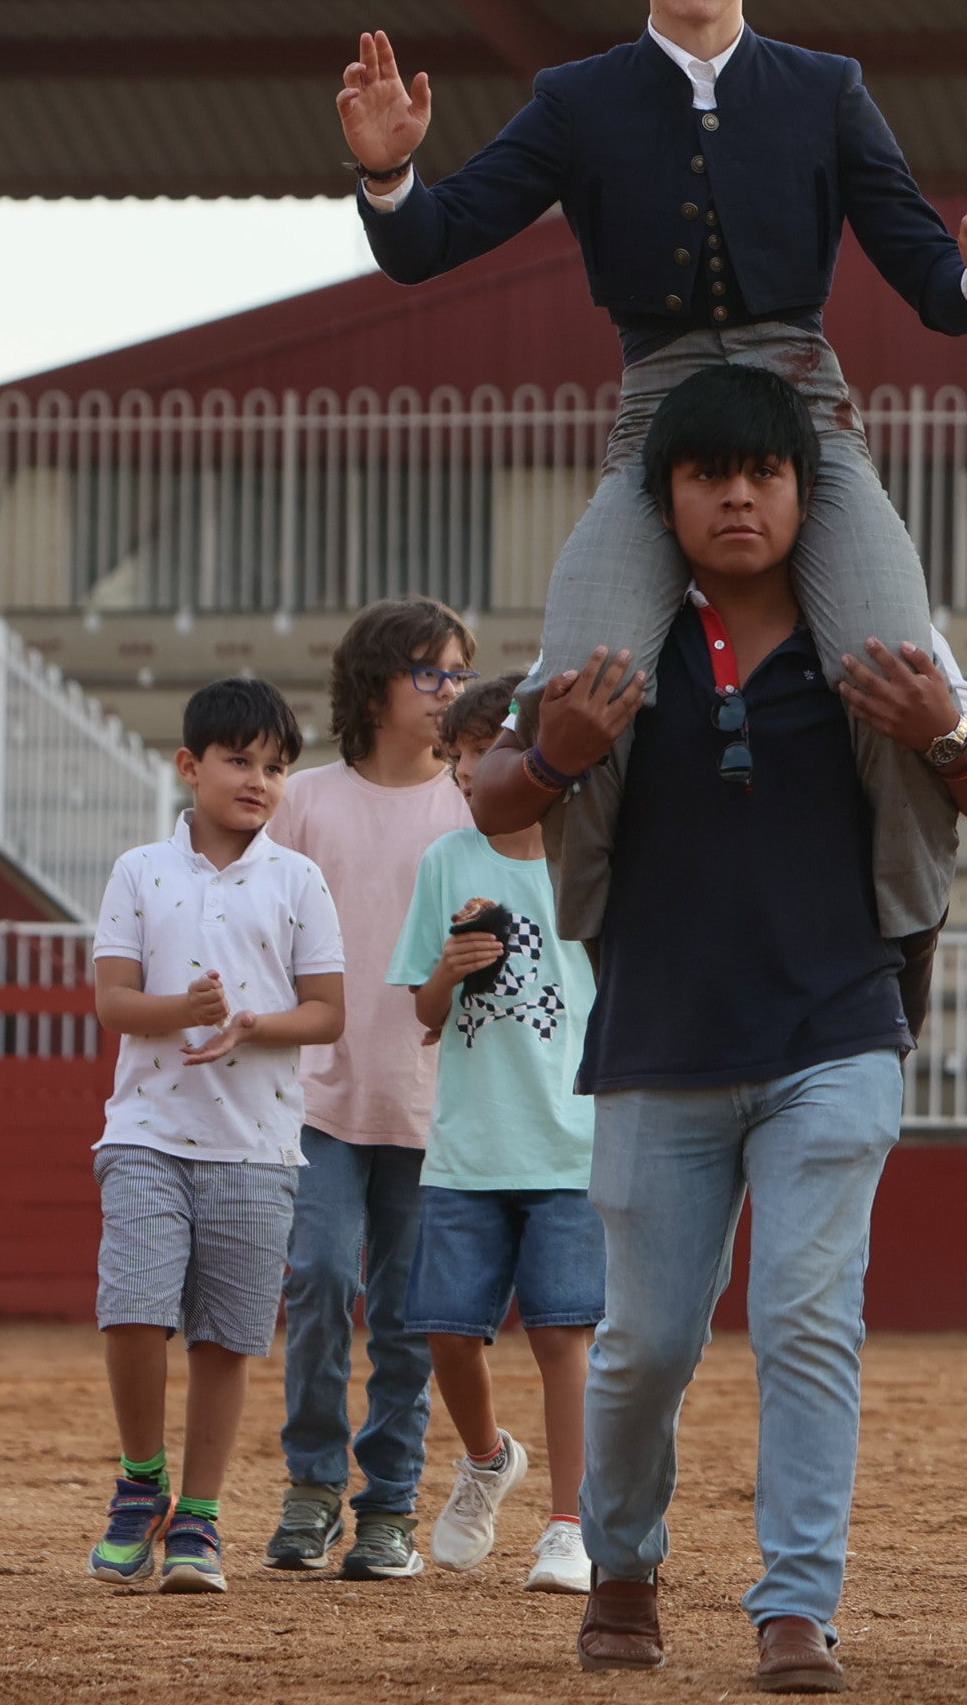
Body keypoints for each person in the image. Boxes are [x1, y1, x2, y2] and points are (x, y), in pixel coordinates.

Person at [337, 0, 967, 963]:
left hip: (805, 406)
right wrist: (389, 174)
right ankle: (605, 944)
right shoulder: (577, 98)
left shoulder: (826, 88)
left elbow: (935, 282)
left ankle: (904, 939)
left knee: (896, 669)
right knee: (583, 684)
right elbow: (433, 240)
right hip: (657, 410)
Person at [466, 362, 967, 1691]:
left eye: (763, 473)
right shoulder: (612, 643)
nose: (736, 498)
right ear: (662, 500)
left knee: (806, 1323)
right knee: (647, 1347)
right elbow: (494, 796)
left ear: (804, 492)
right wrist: (553, 755)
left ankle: (797, 1604)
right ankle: (622, 1564)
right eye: (707, 476)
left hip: (837, 1032)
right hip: (658, 1044)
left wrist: (943, 733)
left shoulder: (879, 642)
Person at [85, 678, 347, 1596]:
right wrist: (184, 1010)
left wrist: (253, 1025)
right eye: (239, 761)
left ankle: (198, 1516)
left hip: (258, 1142)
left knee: (226, 1341)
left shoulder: (299, 878)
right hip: (147, 1130)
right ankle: (141, 1482)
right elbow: (113, 1002)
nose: (259, 781)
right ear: (189, 767)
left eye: (276, 766)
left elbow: (327, 1013)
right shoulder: (138, 870)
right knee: (133, 1310)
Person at [263, 598, 477, 1581]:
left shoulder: (474, 804)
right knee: (317, 1278)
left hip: (436, 1100)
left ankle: (388, 1503)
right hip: (317, 1093)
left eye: (458, 672)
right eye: (429, 672)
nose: (448, 690)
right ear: (374, 684)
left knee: (406, 1314)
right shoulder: (305, 801)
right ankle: (312, 1486)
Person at [390, 670, 599, 1598]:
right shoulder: (446, 861)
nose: (471, 770)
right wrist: (448, 970)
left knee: (564, 1340)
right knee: (445, 1332)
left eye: (486, 750)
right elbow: (424, 1011)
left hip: (573, 1139)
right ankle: (487, 1459)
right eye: (459, 756)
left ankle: (569, 1527)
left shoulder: (586, 854)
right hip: (469, 1146)